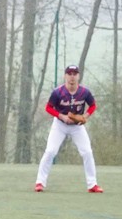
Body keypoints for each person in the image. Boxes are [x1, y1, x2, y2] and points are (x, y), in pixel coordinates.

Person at [35, 65, 102, 194]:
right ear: (65, 76)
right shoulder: (58, 92)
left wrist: (85, 116)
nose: (72, 76)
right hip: (60, 125)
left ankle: (92, 184)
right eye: (69, 73)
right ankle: (40, 182)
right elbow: (48, 108)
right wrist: (62, 116)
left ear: (78, 76)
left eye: (74, 74)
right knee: (50, 151)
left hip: (77, 127)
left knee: (87, 152)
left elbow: (93, 105)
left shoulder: (84, 92)